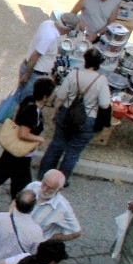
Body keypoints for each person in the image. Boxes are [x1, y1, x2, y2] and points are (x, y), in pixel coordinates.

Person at [0, 10, 81, 125]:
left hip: (28, 67)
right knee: (25, 101)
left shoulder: (48, 23)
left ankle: (7, 118)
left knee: (18, 94)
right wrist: (27, 75)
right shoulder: (50, 37)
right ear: (67, 28)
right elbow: (35, 56)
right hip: (34, 73)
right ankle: (13, 123)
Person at [40, 47, 112, 177]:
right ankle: (61, 180)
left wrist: (55, 112)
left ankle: (44, 174)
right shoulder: (101, 80)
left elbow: (61, 95)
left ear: (85, 60)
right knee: (73, 151)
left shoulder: (74, 73)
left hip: (66, 113)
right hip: (87, 118)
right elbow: (104, 104)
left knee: (57, 144)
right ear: (99, 63)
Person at [0, 77, 54, 202]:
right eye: (52, 95)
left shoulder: (29, 100)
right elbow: (23, 134)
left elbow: (16, 110)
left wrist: (16, 124)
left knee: (1, 178)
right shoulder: (33, 112)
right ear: (45, 97)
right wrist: (40, 139)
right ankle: (18, 207)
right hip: (20, 154)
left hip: (16, 150)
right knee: (21, 185)